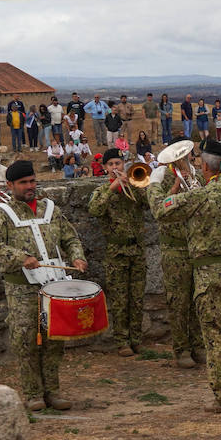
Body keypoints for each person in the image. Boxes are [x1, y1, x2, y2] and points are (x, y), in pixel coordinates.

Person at [154, 140, 221, 412]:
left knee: (218, 337)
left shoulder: (199, 196)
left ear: (205, 168)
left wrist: (156, 184)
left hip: (211, 275)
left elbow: (161, 210)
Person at [0, 160, 88, 410]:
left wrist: (77, 257)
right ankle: (33, 393)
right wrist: (21, 258)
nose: (30, 186)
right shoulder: (2, 213)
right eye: (23, 183)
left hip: (54, 285)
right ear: (10, 185)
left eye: (32, 181)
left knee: (54, 337)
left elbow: (70, 237)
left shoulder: (50, 208)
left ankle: (53, 391)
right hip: (22, 288)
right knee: (25, 340)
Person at [88, 147, 149, 356]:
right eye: (111, 164)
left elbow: (149, 203)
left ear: (124, 164)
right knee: (120, 299)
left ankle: (137, 339)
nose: (115, 167)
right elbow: (95, 209)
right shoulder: (102, 191)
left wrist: (134, 184)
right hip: (116, 252)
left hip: (137, 250)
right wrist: (112, 188)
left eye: (118, 163)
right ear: (105, 168)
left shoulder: (134, 184)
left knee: (137, 298)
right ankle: (122, 341)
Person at [146, 142, 201, 370]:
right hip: (174, 250)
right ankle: (182, 349)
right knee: (178, 302)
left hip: (195, 247)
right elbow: (158, 209)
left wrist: (194, 184)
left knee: (198, 300)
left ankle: (199, 345)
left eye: (186, 156)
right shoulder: (161, 177)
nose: (184, 160)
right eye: (181, 157)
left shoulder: (196, 175)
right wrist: (176, 187)